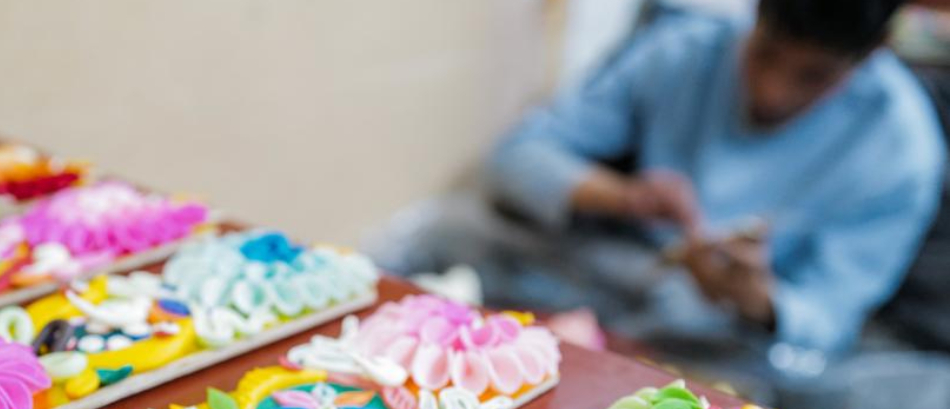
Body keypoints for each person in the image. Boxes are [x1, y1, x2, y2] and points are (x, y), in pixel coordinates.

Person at [386, 0, 945, 379]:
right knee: (443, 231)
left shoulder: (903, 148)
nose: (772, 92)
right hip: (613, 269)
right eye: (766, 55)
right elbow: (519, 156)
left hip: (729, 335)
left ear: (872, 55)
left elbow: (830, 317)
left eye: (812, 76)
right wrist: (621, 196)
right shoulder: (684, 49)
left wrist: (753, 295)